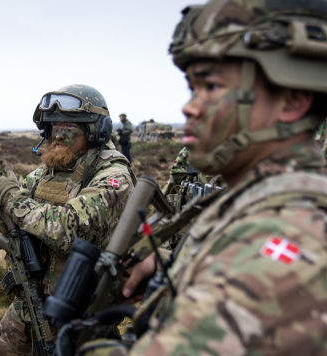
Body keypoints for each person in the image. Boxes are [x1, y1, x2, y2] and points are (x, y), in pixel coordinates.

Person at [80, 0, 327, 354]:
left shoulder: (284, 233)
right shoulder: (252, 199)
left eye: (211, 86)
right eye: (192, 88)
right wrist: (178, 268)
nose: (189, 107)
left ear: (291, 101)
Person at [0, 84, 135, 355]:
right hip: (30, 303)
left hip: (79, 314)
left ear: (94, 132)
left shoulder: (113, 176)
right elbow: (18, 210)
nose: (58, 137)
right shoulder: (49, 171)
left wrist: (10, 198)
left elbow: (69, 229)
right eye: (54, 129)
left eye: (69, 130)